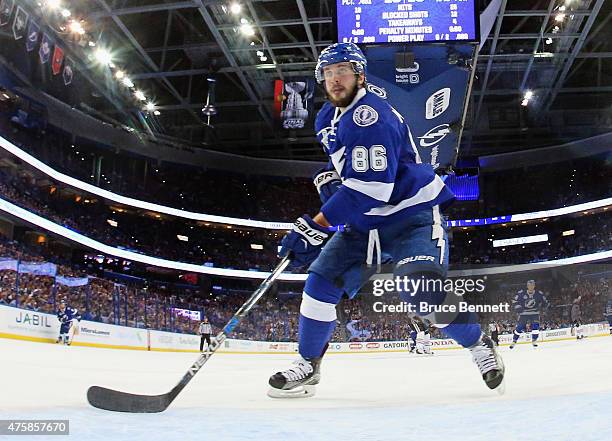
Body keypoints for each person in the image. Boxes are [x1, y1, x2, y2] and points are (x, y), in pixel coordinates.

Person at [267, 43, 504, 398]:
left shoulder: (371, 115)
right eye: (328, 74)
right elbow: (353, 173)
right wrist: (331, 179)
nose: (334, 79)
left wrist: (316, 223)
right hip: (364, 224)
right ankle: (308, 365)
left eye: (342, 71)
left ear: (360, 75)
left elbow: (371, 188)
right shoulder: (324, 119)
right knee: (318, 286)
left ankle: (478, 344)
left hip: (410, 216)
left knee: (421, 291)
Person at [509, 280, 549, 349]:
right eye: (529, 285)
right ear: (527, 286)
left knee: (535, 327)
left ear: (534, 286)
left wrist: (544, 307)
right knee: (519, 327)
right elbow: (514, 300)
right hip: (524, 313)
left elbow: (545, 302)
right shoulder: (521, 293)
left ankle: (534, 340)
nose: (531, 286)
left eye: (532, 285)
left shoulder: (539, 294)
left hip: (535, 313)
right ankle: (514, 341)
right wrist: (518, 307)